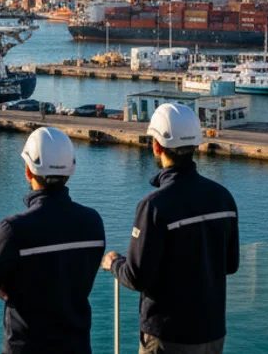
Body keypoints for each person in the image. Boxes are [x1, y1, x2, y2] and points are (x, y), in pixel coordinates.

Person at [102, 102, 239, 354]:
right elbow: (230, 265)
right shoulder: (223, 198)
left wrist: (114, 263)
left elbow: (136, 277)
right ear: (195, 145)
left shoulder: (154, 206)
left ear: (156, 145)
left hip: (167, 336)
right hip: (212, 333)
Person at [0, 127, 106, 353]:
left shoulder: (13, 230)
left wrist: (7, 281)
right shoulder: (93, 222)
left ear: (28, 171)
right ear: (70, 171)